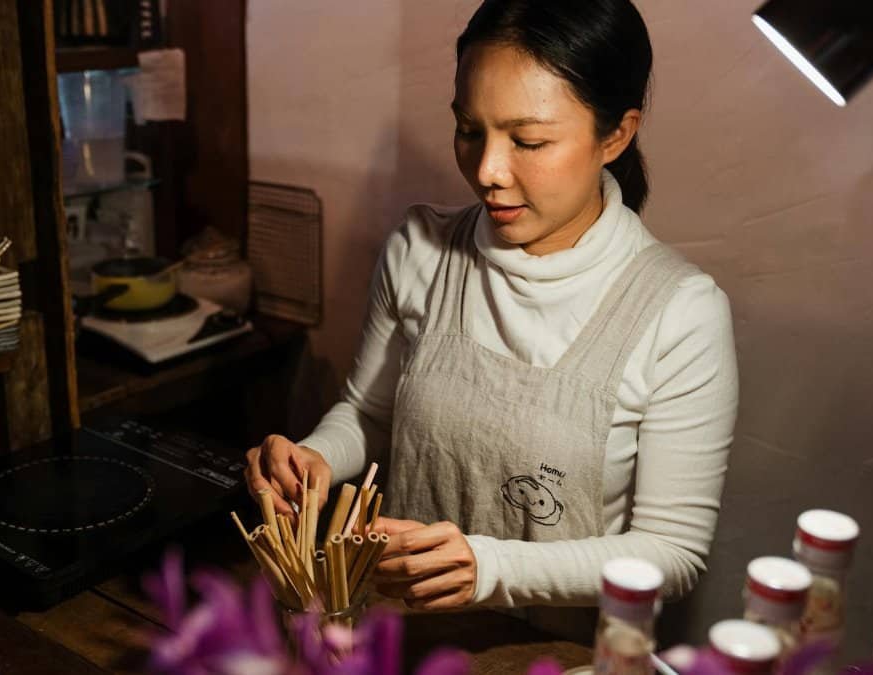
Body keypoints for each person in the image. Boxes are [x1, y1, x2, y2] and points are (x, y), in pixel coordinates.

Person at [244, 0, 738, 629]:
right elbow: (371, 413)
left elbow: (673, 552)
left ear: (616, 133)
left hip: (565, 654)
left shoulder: (677, 312)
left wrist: (490, 567)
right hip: (408, 631)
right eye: (469, 130)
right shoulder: (421, 248)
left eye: (529, 140)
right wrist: (312, 459)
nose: (487, 171)